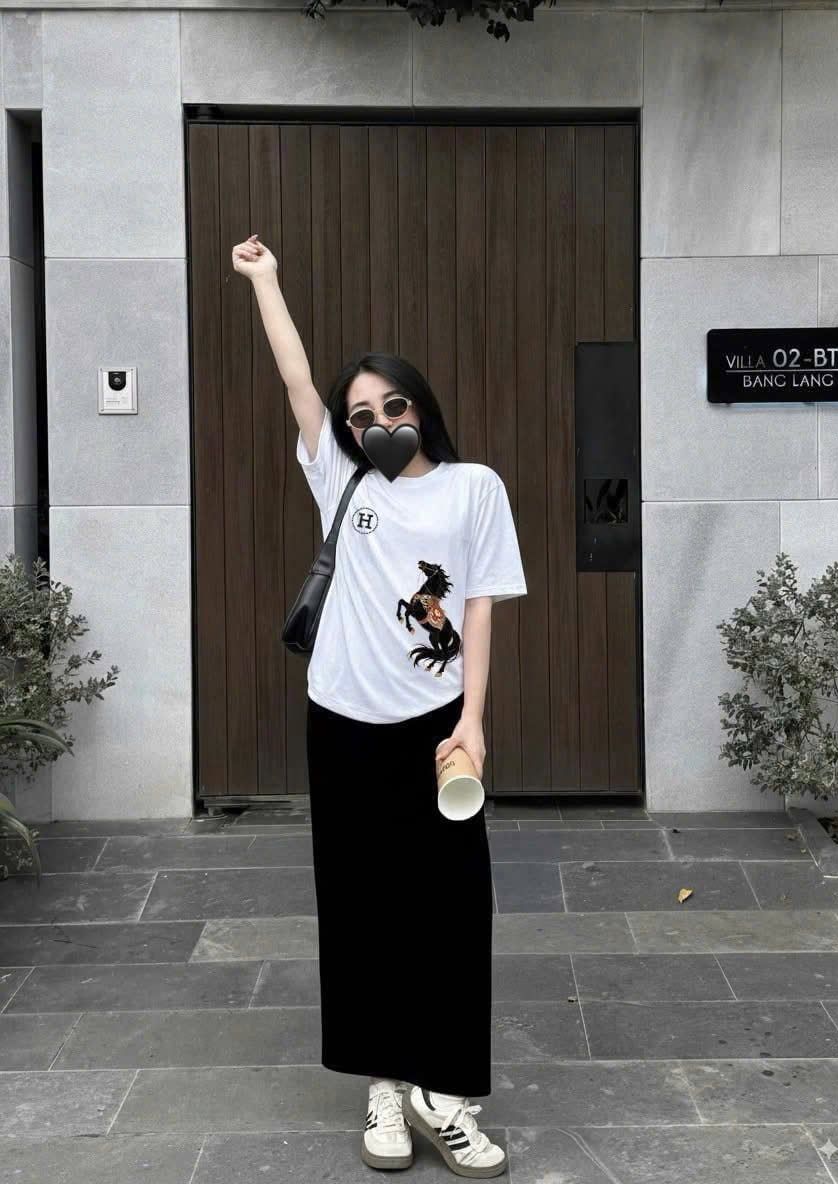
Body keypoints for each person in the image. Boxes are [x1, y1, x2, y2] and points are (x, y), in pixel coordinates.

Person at [233, 233, 527, 1178]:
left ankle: (445, 1093)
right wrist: (266, 280)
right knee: (361, 909)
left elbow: (478, 606)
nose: (379, 421)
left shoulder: (475, 488)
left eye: (393, 405)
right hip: (343, 727)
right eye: (361, 413)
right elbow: (295, 378)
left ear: (421, 407)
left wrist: (472, 719)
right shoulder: (342, 478)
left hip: (434, 729)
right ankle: (385, 1088)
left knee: (452, 910)